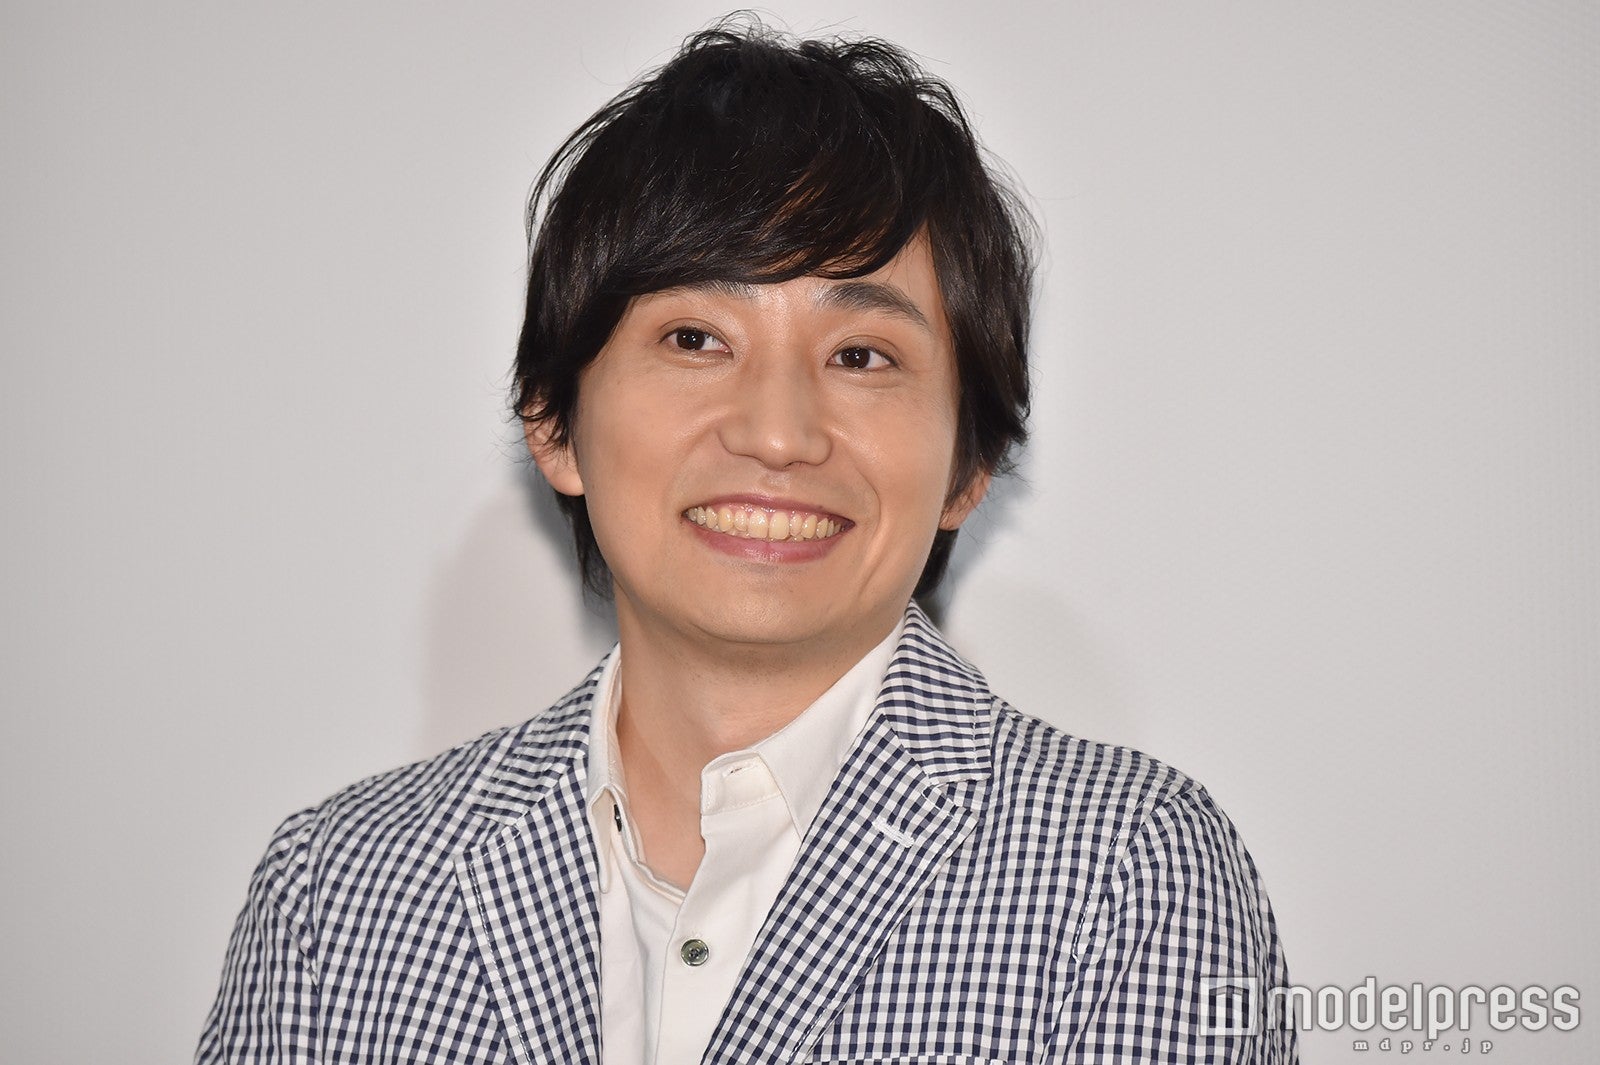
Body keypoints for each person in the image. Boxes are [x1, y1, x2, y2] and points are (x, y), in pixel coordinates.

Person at [198, 20, 1295, 1064]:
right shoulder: (338, 892)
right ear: (554, 422)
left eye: (861, 356)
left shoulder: (1126, 876)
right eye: (694, 337)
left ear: (970, 463)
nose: (777, 433)